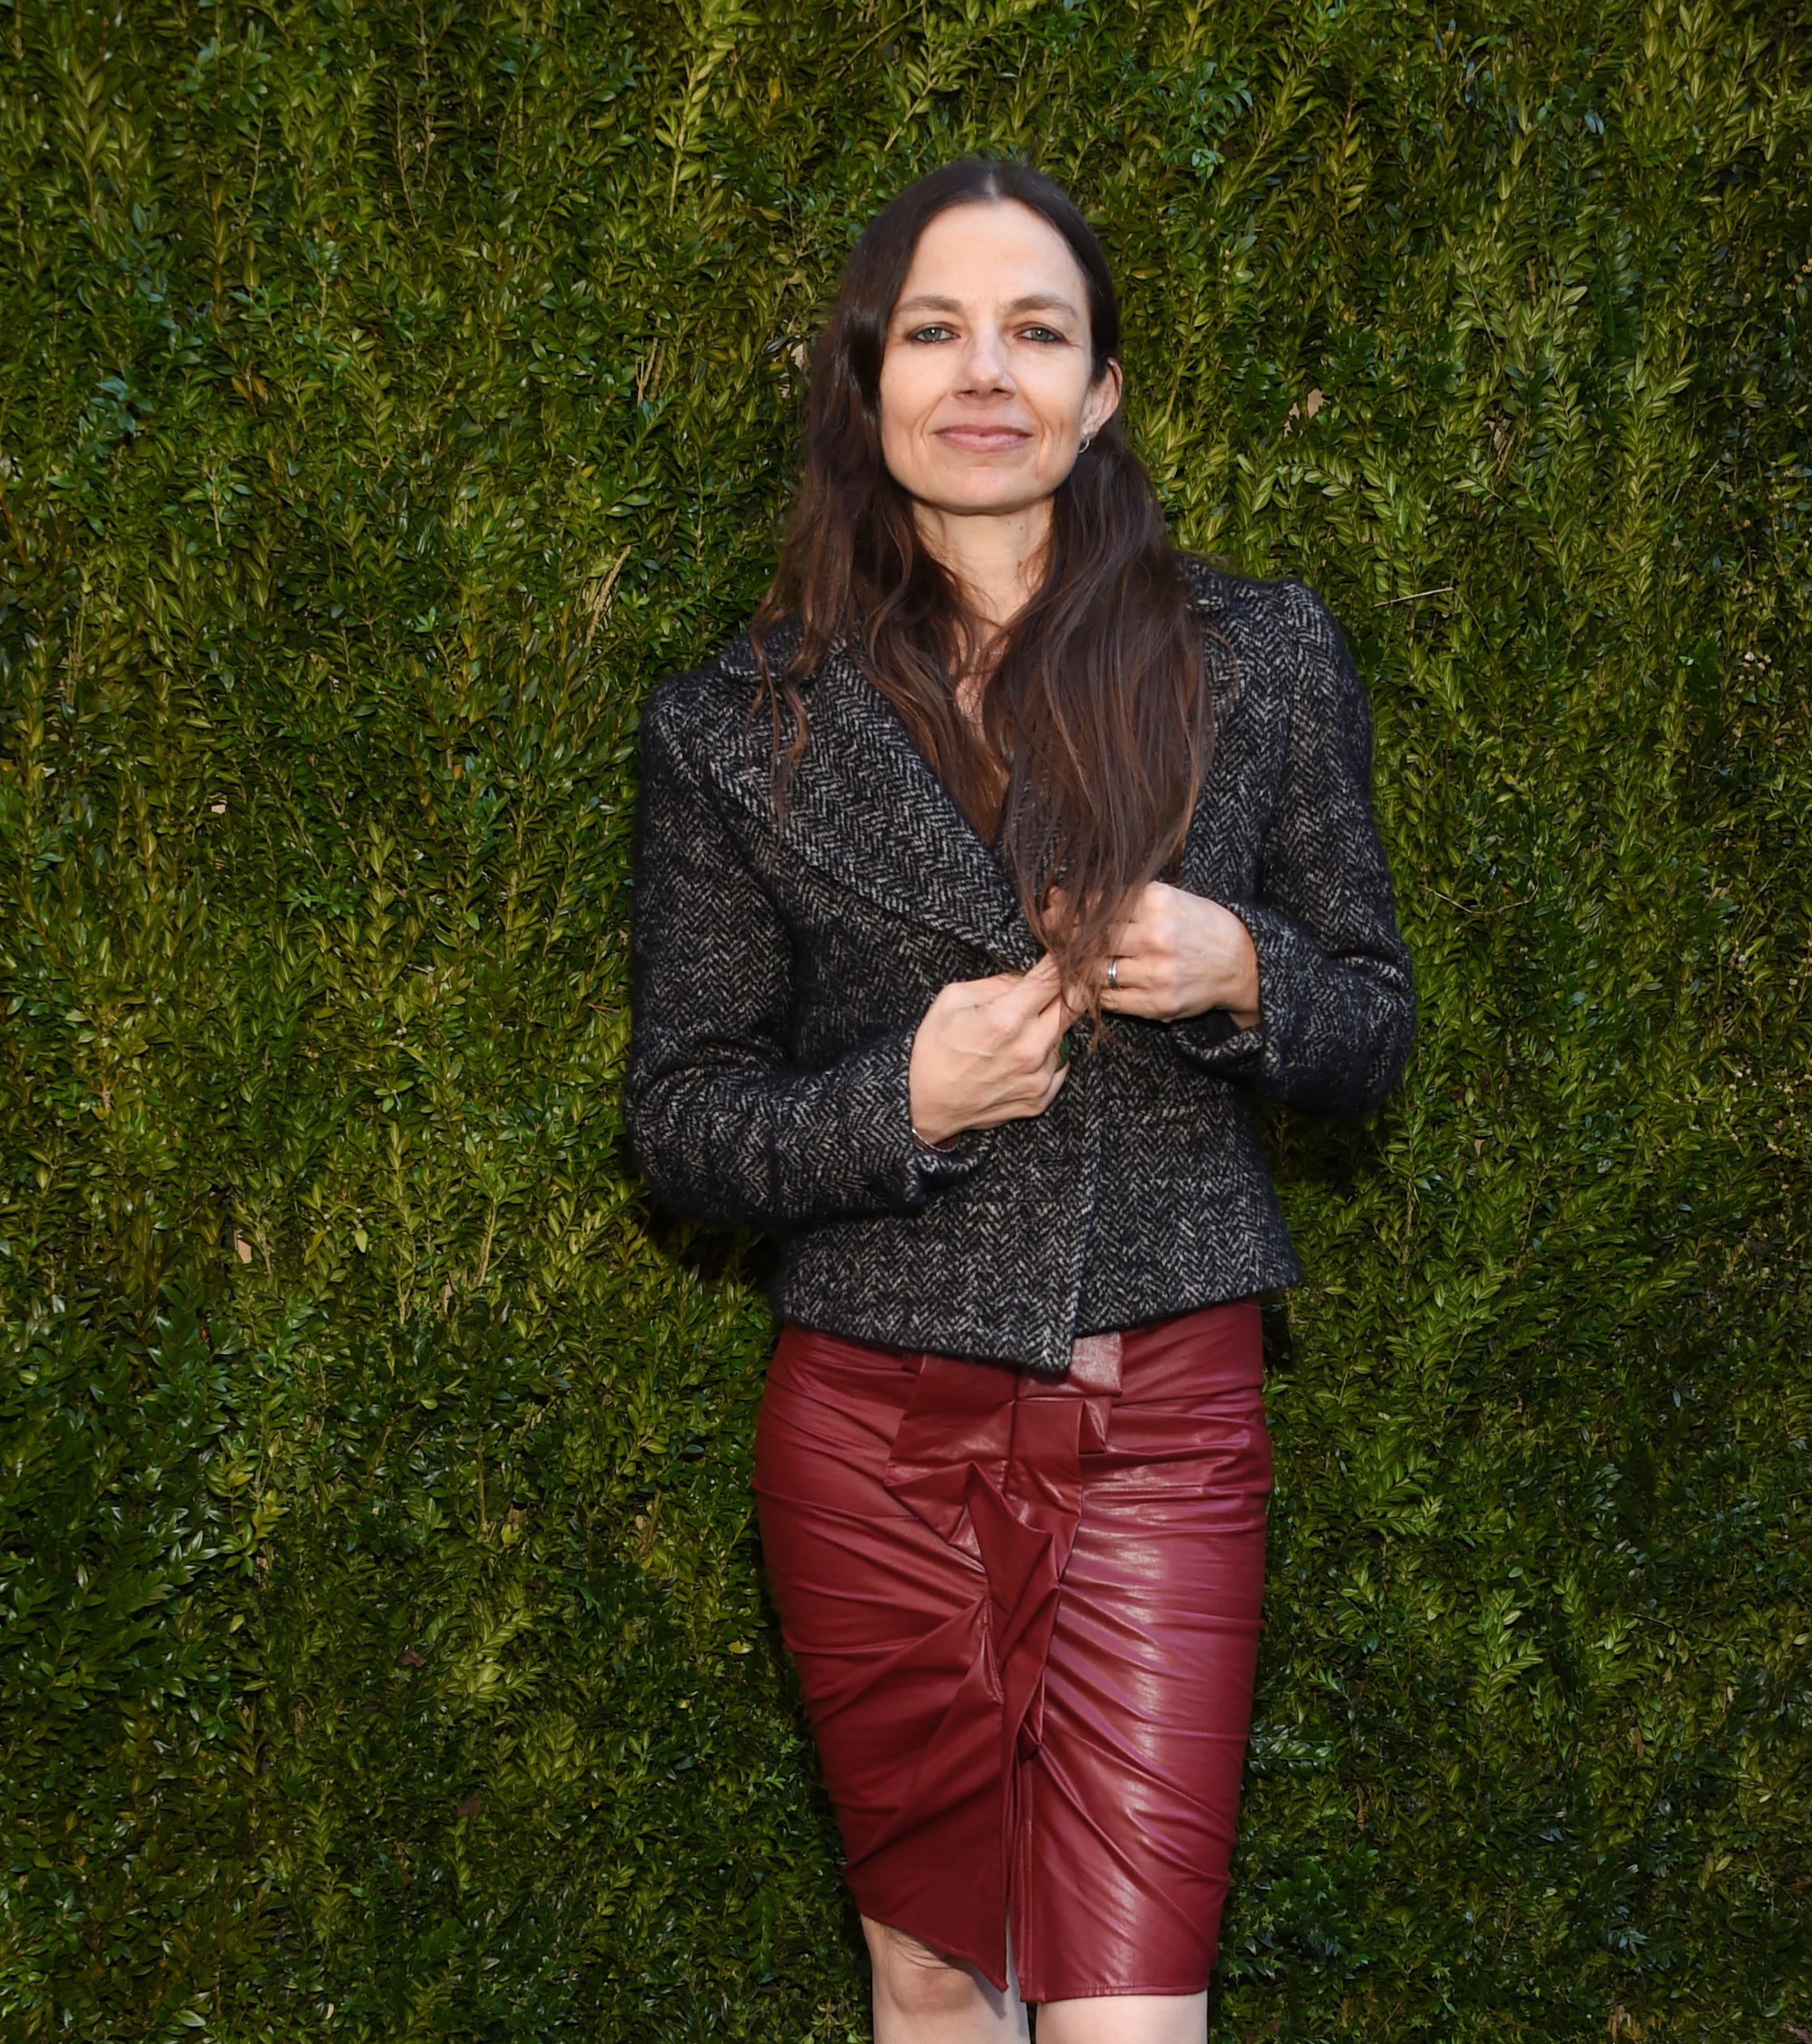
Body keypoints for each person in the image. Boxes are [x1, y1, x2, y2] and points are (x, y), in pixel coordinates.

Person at [625, 157, 1415, 2044]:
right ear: (865, 378)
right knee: (934, 1980)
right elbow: (683, 1124)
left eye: (1036, 332)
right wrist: (900, 1092)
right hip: (869, 1440)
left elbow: (1376, 1027)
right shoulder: (735, 725)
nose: (987, 374)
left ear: (1105, 387)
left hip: (1163, 1426)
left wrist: (1245, 973)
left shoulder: (1264, 655)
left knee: (1128, 2014)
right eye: (936, 331)